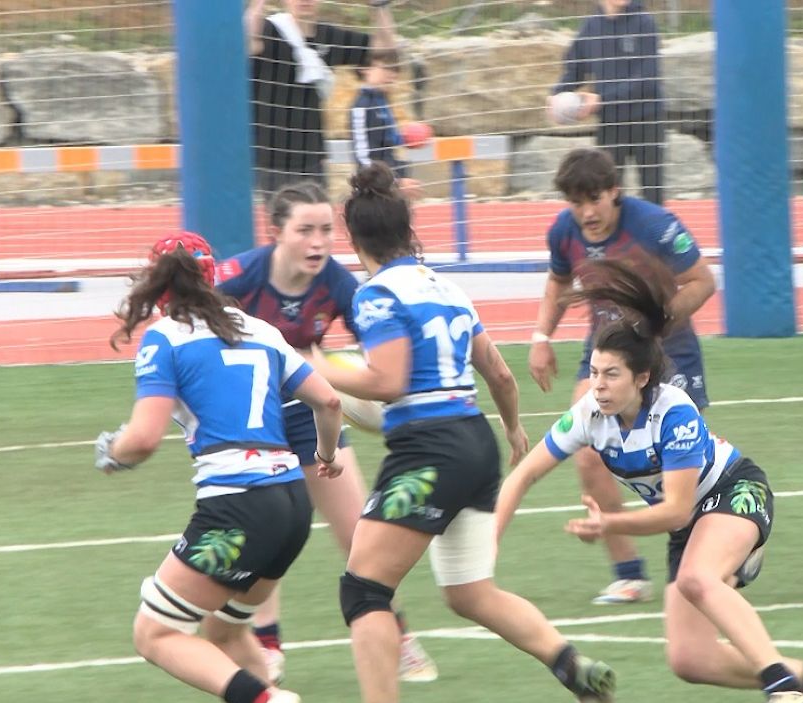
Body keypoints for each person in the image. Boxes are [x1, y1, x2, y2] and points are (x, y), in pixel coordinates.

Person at [496, 259, 803, 703]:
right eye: (593, 372)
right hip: (691, 525)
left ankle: (782, 690)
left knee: (698, 578)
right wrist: (488, 539)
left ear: (641, 378)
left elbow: (676, 510)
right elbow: (525, 474)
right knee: (691, 660)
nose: (598, 386)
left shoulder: (674, 412)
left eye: (611, 375)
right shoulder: (589, 415)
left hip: (735, 491)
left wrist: (610, 524)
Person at [313, 163, 616, 703]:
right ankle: (571, 665)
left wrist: (308, 367)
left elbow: (387, 381)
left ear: (353, 239)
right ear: (408, 231)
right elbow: (498, 372)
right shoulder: (448, 288)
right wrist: (514, 428)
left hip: (429, 450)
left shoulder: (376, 294)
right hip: (475, 442)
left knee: (364, 590)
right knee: (470, 592)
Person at [94, 231, 345, 703]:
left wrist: (113, 453)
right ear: (212, 277)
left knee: (155, 635)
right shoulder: (262, 330)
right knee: (225, 631)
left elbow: (143, 439)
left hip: (237, 505)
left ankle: (269, 701)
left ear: (158, 284)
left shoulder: (165, 337)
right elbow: (329, 401)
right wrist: (327, 457)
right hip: (291, 503)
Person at [214, 181, 438, 684]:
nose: (317, 242)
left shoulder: (338, 284)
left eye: (324, 231)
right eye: (304, 230)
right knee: (264, 535)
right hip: (252, 422)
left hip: (315, 413)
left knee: (361, 534)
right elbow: (188, 332)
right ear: (276, 233)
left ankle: (396, 633)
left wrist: (377, 390)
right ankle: (267, 645)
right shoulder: (238, 280)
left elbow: (378, 354)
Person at [528, 147, 716, 604]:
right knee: (589, 453)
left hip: (668, 355)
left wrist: (655, 322)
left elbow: (702, 282)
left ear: (615, 191)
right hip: (606, 354)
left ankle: (721, 548)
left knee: (684, 465)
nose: (587, 212)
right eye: (577, 202)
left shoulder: (655, 225)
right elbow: (558, 282)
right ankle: (629, 573)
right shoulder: (564, 231)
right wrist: (540, 337)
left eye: (595, 198)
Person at [246, 0, 397, 199]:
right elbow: (247, 40)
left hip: (312, 160)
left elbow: (385, 48)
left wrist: (380, 6)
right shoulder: (269, 29)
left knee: (319, 223)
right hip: (271, 160)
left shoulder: (330, 36)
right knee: (285, 226)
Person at [551, 0, 665, 205]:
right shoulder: (591, 27)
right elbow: (574, 70)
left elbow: (646, 80)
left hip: (647, 119)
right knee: (608, 194)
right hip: (611, 124)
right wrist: (556, 95)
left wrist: (602, 100)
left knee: (653, 191)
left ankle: (655, 236)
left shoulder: (644, 22)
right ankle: (617, 237)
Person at [349, 48, 424, 201]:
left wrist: (405, 138)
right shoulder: (361, 106)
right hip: (375, 189)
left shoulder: (382, 101)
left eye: (395, 70)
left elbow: (386, 140)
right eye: (386, 68)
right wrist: (393, 182)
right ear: (365, 68)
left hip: (392, 178)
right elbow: (363, 157)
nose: (392, 75)